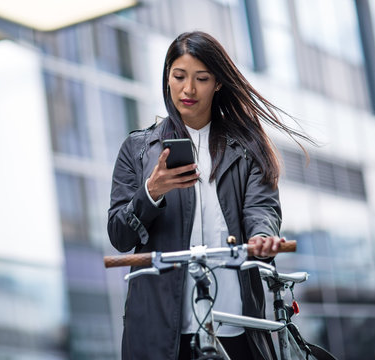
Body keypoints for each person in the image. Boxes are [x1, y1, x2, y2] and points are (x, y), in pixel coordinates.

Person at [107, 31, 312, 360]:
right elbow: (119, 234)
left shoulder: (247, 148)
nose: (188, 89)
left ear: (218, 83)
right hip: (160, 332)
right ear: (167, 78)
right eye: (179, 76)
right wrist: (150, 193)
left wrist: (262, 238)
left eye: (201, 78)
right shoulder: (137, 149)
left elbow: (262, 210)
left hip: (237, 322)